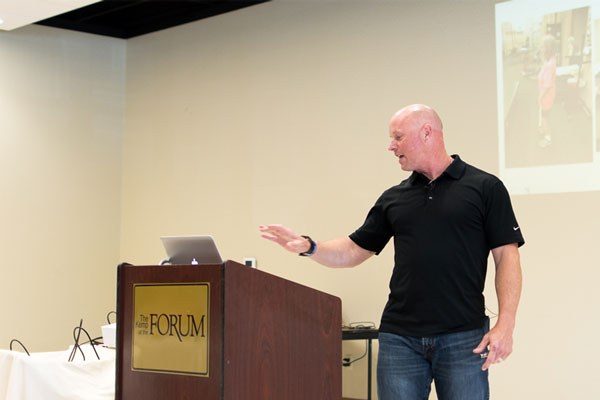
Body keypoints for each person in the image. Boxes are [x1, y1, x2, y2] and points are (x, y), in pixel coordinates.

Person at [259, 104, 524, 400]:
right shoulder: (394, 198)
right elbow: (353, 250)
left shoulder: (485, 187)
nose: (390, 146)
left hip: (463, 337)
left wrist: (506, 323)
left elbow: (506, 256)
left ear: (426, 132)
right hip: (400, 339)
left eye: (397, 137)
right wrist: (310, 247)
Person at [538, 34, 557, 148]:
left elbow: (547, 85)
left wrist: (540, 97)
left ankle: (548, 138)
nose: (541, 48)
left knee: (545, 117)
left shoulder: (550, 64)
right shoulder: (551, 60)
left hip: (546, 95)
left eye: (543, 47)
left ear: (548, 48)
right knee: (544, 115)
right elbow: (545, 66)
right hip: (546, 94)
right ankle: (544, 130)